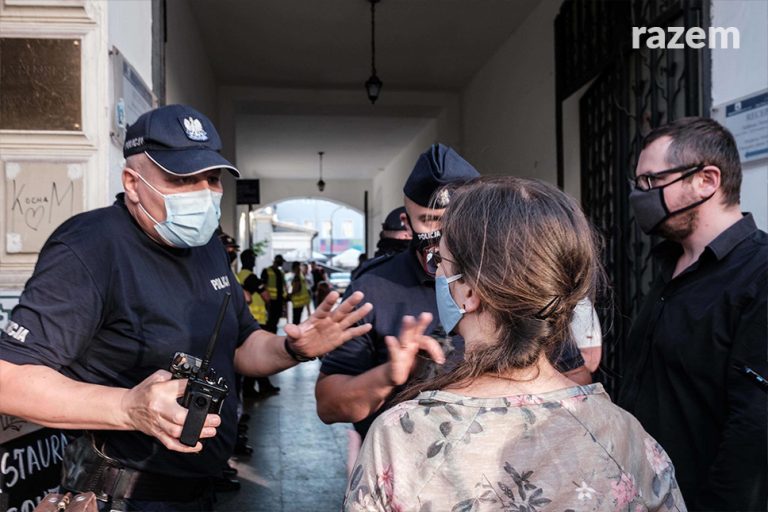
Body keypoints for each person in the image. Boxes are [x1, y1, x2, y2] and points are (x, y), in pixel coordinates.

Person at [0, 104, 373, 512]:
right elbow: (10, 380)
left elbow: (242, 344)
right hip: (120, 495)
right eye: (181, 179)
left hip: (197, 493)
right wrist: (127, 408)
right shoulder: (90, 247)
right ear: (133, 182)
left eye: (211, 178)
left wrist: (293, 348)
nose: (202, 192)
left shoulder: (208, 246)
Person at [344, 176, 685, 512]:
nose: (436, 275)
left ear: (469, 292)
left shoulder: (403, 438)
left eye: (441, 264)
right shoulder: (624, 435)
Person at [316, 143, 592, 440]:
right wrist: (389, 377)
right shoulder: (372, 289)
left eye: (457, 218)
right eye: (431, 221)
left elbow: (576, 377)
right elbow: (329, 405)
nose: (446, 234)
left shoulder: (514, 281)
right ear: (407, 224)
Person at [617, 117, 767, 509]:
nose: (640, 194)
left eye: (651, 181)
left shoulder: (760, 275)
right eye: (638, 183)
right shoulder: (670, 264)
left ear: (707, 180)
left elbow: (754, 430)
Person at [261, 254, 288, 334]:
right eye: (281, 262)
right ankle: (269, 335)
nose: (282, 263)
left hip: (279, 301)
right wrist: (267, 300)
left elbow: (283, 287)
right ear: (277, 261)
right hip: (270, 301)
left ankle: (273, 334)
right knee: (270, 321)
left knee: (276, 320)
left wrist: (284, 299)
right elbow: (264, 285)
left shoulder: (281, 273)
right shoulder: (267, 271)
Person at [289, 261, 311, 325]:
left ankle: (294, 334)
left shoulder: (297, 277)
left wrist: (290, 295)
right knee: (297, 320)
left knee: (295, 321)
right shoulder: (301, 276)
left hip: (297, 302)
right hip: (302, 302)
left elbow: (296, 288)